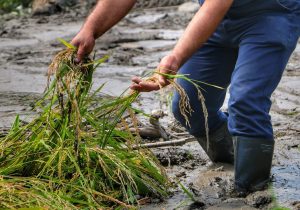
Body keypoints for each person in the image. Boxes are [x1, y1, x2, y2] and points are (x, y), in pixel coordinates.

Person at [71, 0, 300, 194]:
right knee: (187, 105)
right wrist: (91, 29)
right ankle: (233, 156)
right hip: (219, 22)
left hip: (271, 15)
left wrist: (175, 59)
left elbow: (216, 4)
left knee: (246, 103)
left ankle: (252, 190)